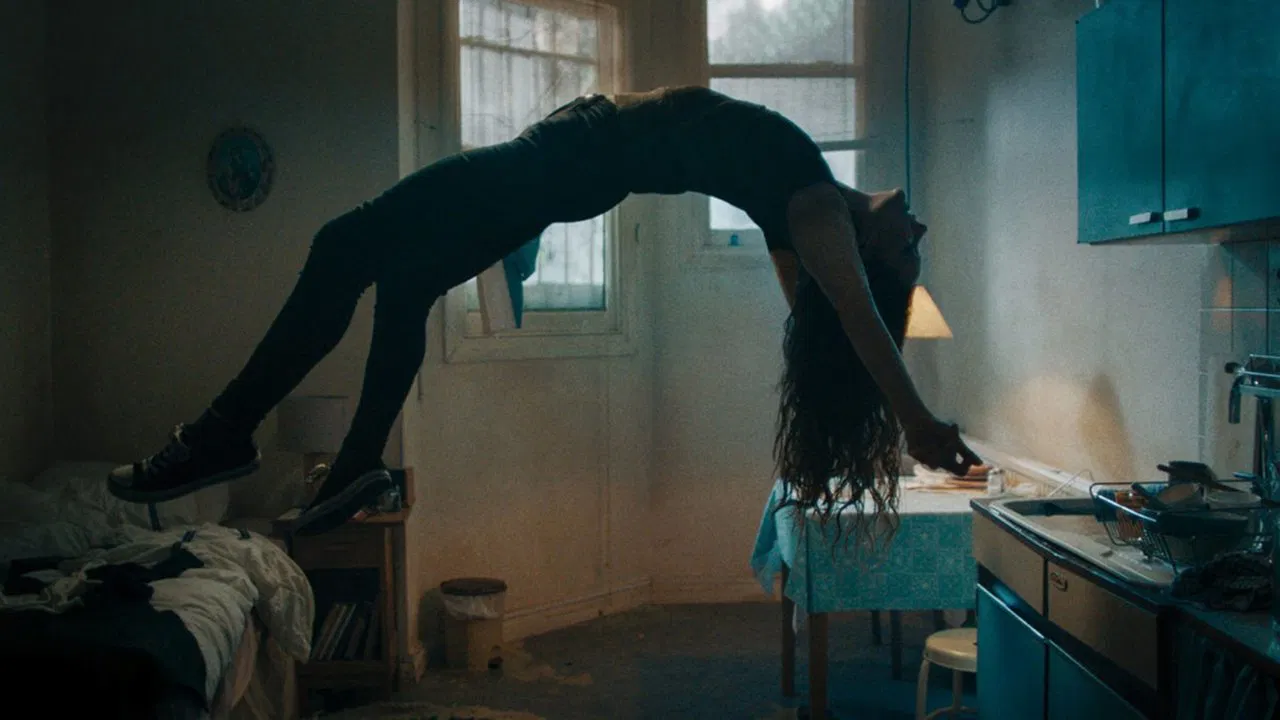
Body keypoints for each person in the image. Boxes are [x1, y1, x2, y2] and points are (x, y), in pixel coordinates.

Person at [107, 86, 981, 537]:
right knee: (406, 284)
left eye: (909, 253)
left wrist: (915, 423)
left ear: (869, 256)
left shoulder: (819, 212)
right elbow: (827, 321)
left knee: (344, 243)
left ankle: (225, 430)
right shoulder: (807, 212)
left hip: (567, 156)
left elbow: (856, 318)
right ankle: (361, 465)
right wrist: (881, 395)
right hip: (571, 169)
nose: (921, 232)